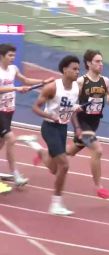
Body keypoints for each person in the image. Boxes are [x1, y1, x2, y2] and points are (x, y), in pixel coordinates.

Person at [18, 55, 81, 216]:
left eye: (78, 69)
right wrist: (50, 116)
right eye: (74, 69)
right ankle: (56, 204)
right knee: (64, 166)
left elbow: (72, 110)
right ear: (64, 70)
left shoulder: (76, 88)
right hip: (49, 128)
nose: (77, 72)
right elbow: (36, 108)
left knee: (54, 169)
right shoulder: (52, 87)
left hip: (63, 129)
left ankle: (35, 146)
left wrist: (77, 127)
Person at [0, 43, 53, 188]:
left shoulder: (13, 69)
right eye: (10, 55)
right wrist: (16, 88)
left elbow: (25, 81)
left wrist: (43, 82)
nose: (13, 58)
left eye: (14, 55)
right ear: (2, 56)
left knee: (2, 143)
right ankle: (16, 175)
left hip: (9, 110)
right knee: (10, 138)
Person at [66, 49, 109, 199]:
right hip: (82, 123)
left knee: (69, 152)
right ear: (88, 63)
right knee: (97, 150)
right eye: (97, 61)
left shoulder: (105, 81)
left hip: (94, 123)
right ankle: (98, 187)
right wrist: (77, 125)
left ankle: (46, 153)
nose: (101, 64)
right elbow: (70, 103)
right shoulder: (81, 81)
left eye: (101, 61)